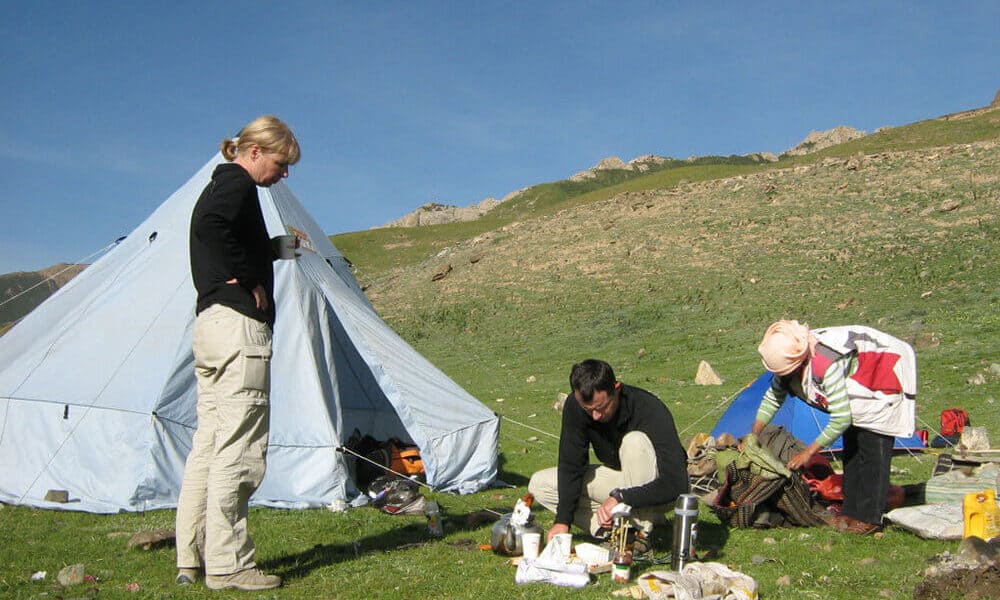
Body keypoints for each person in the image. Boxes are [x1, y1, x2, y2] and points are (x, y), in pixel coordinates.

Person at [175, 115, 300, 591]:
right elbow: (211, 228)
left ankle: (192, 556)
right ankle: (229, 564)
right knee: (239, 448)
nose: (284, 174)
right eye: (280, 162)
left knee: (207, 445)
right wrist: (247, 280)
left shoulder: (219, 186)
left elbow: (220, 236)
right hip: (237, 330)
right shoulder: (237, 186)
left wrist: (269, 251)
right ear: (253, 152)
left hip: (209, 325)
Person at [751, 320, 917, 535]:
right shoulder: (788, 364)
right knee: (852, 449)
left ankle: (869, 518)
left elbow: (841, 418)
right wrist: (755, 431)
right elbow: (772, 398)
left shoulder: (826, 364)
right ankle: (850, 510)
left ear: (799, 362)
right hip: (855, 384)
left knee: (872, 447)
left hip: (879, 375)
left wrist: (808, 452)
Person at [528, 359, 689, 547]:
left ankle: (637, 536)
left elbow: (676, 483)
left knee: (633, 442)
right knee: (539, 484)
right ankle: (613, 530)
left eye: (601, 407)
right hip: (619, 484)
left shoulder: (648, 408)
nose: (595, 416)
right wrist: (562, 521)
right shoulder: (576, 407)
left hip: (662, 488)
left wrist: (622, 497)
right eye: (588, 410)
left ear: (617, 388)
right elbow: (571, 467)